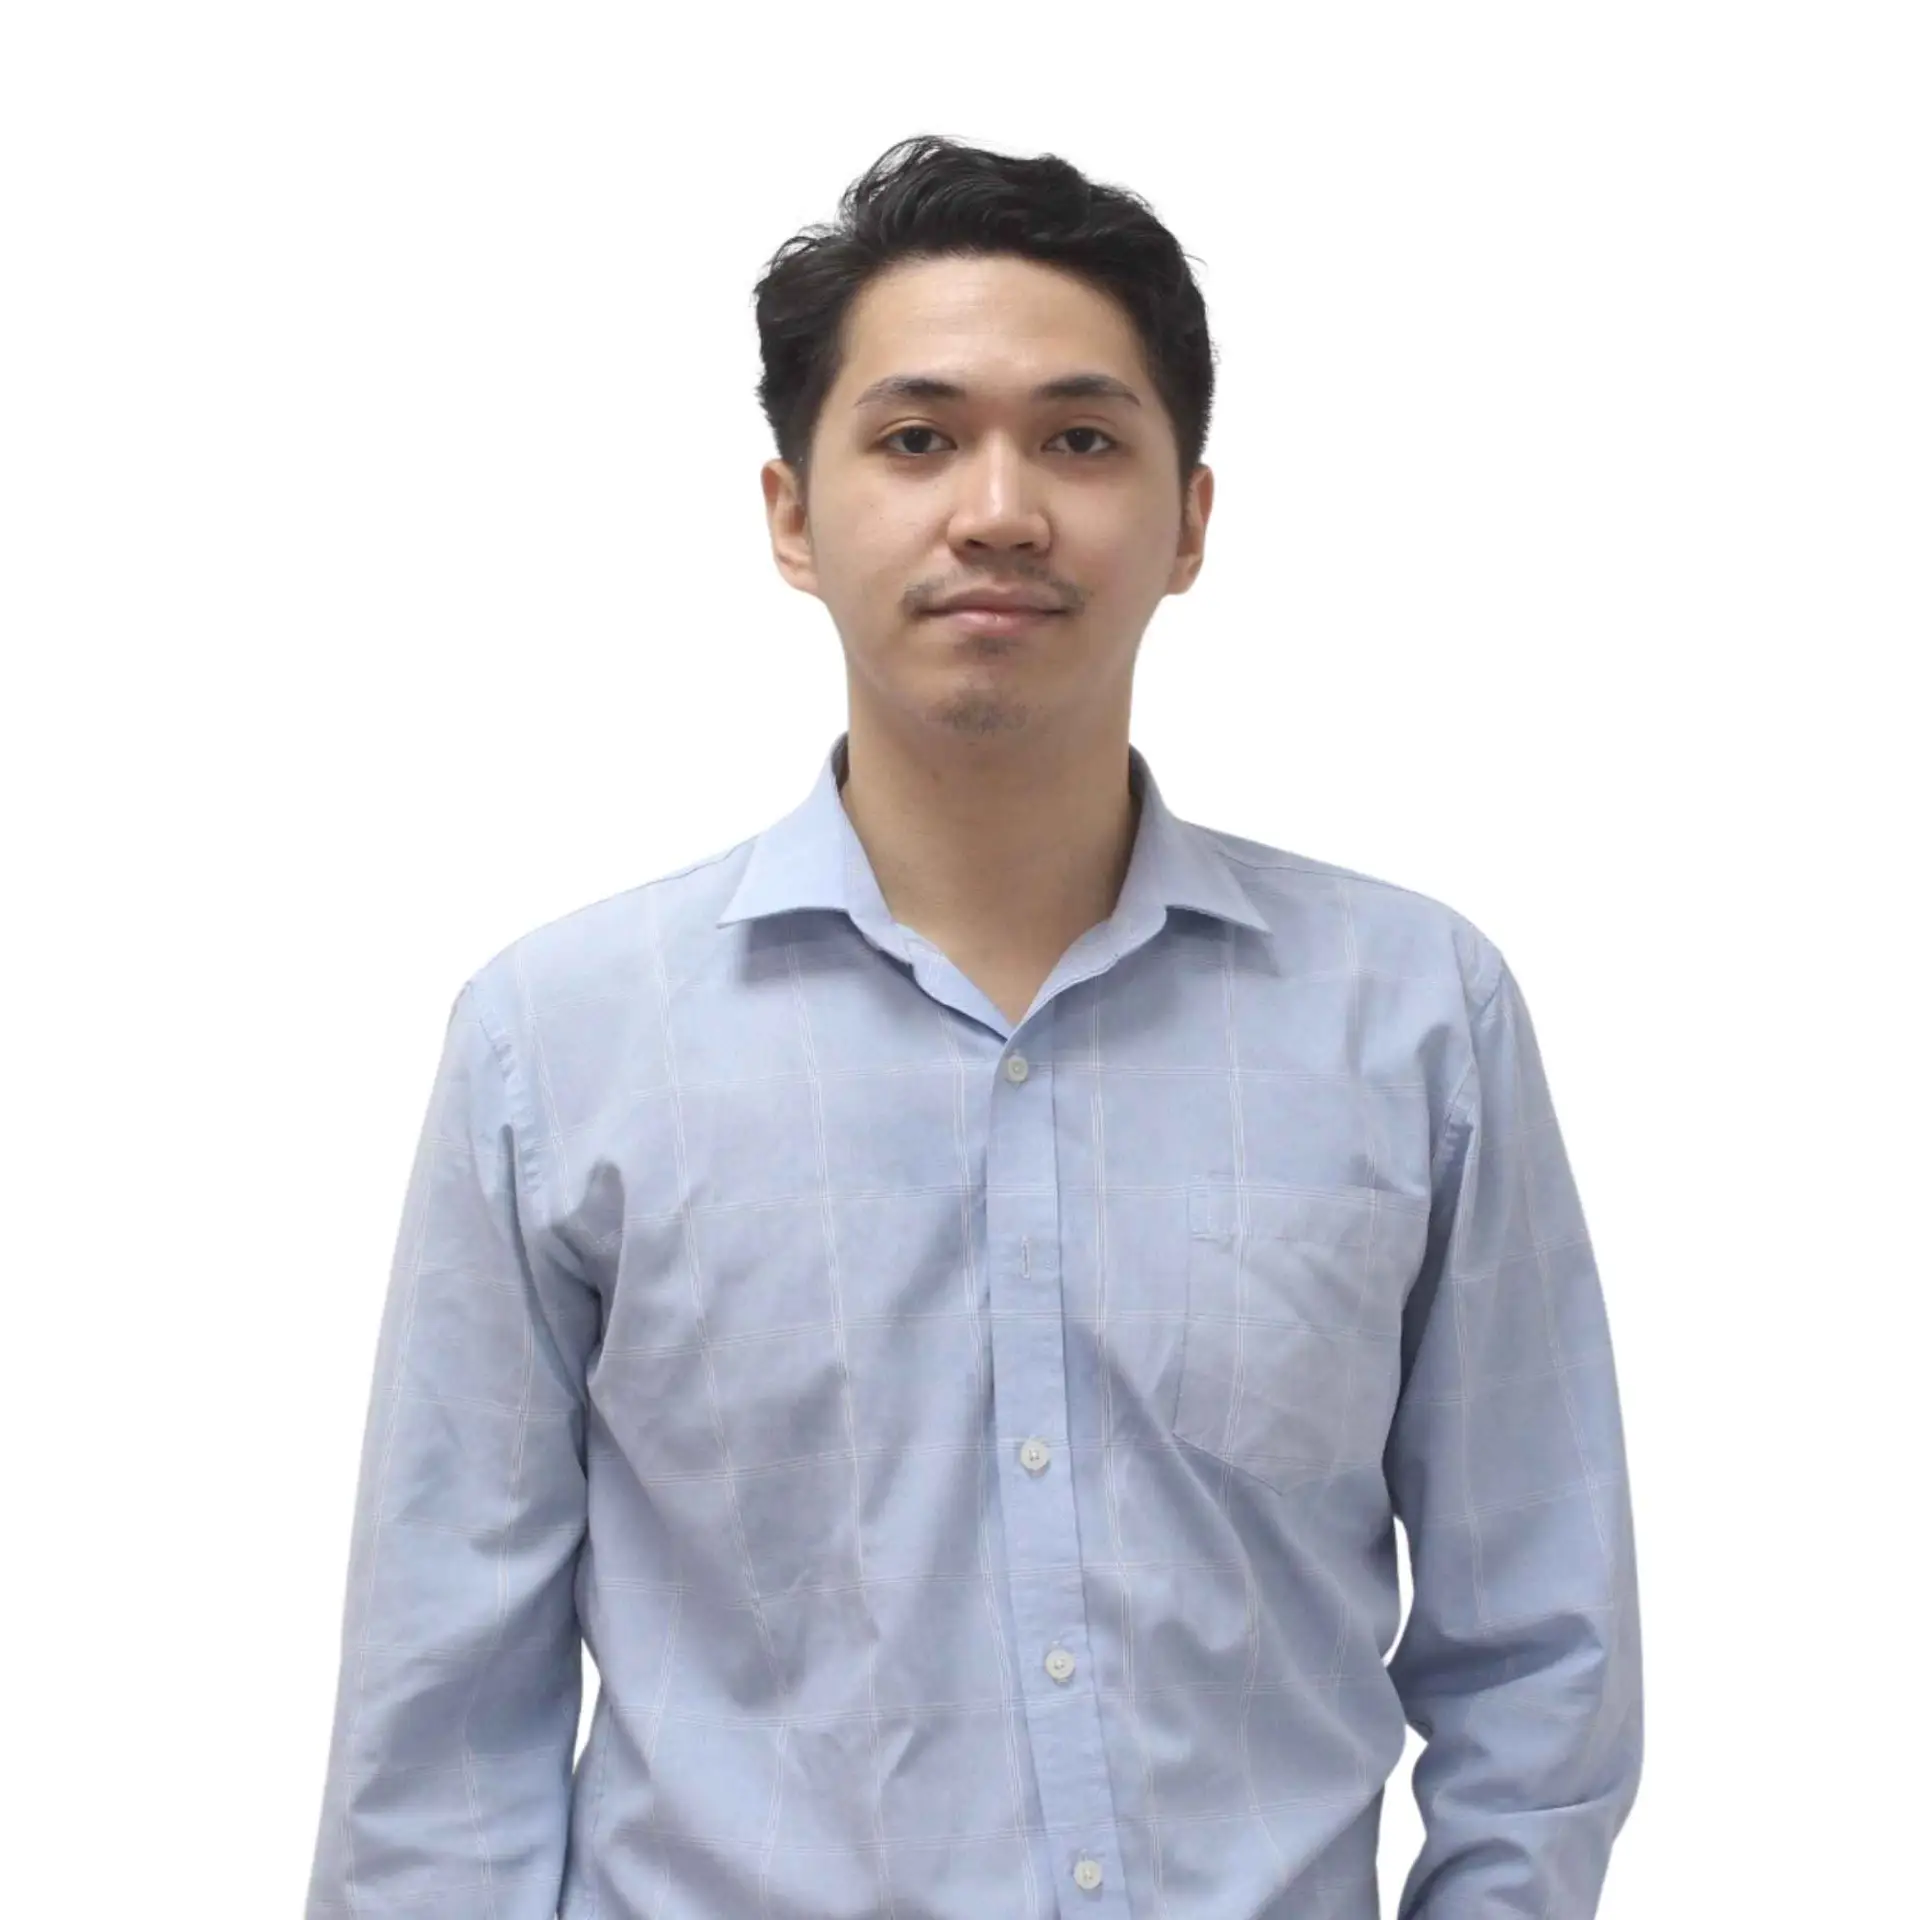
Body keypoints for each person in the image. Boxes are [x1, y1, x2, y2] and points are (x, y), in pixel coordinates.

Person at [304, 133, 1643, 1920]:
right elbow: (440, 1736)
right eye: (917, 436)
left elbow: (1537, 1649)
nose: (999, 507)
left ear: (1189, 521)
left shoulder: (1413, 1017)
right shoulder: (560, 1045)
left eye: (1082, 438)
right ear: (793, 515)